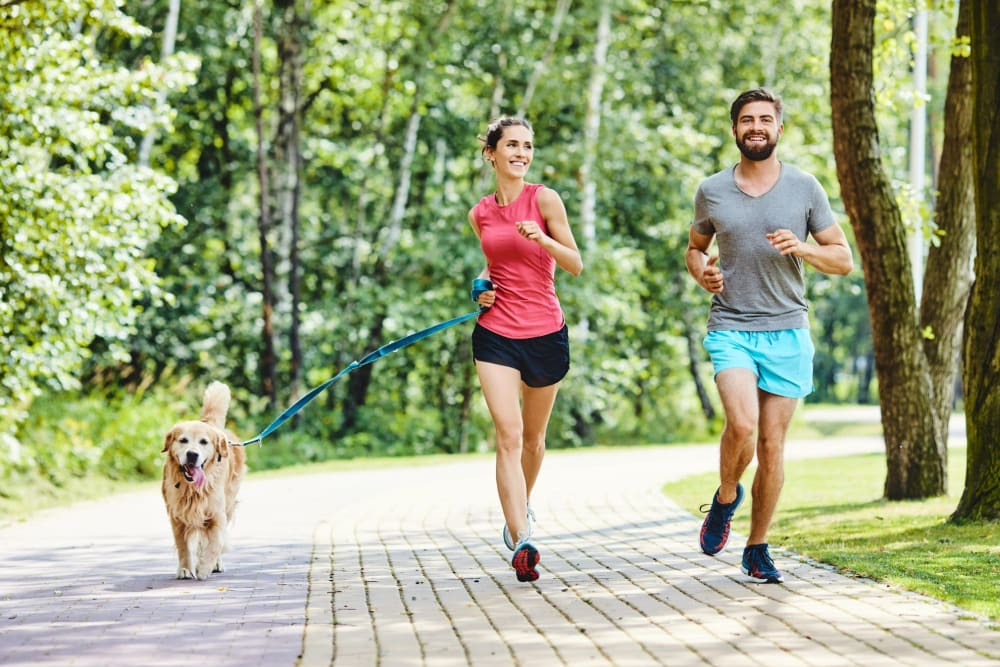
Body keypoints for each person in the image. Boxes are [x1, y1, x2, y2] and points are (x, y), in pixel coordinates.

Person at [685, 88, 853, 583]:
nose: (755, 126)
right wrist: (702, 274)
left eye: (764, 119)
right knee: (742, 426)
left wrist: (802, 248)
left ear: (779, 129)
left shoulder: (805, 188)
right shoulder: (711, 189)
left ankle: (756, 548)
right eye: (745, 120)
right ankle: (724, 496)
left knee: (773, 445)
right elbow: (695, 249)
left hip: (787, 330)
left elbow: (842, 259)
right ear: (734, 129)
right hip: (731, 325)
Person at [468, 116, 582, 583]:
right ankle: (522, 538)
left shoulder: (545, 199)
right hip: (495, 335)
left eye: (528, 146)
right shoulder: (480, 212)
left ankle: (521, 507)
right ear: (491, 152)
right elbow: (493, 264)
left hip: (544, 334)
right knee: (509, 436)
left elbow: (574, 263)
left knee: (534, 440)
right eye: (512, 144)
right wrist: (480, 288)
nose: (522, 152)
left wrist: (544, 238)